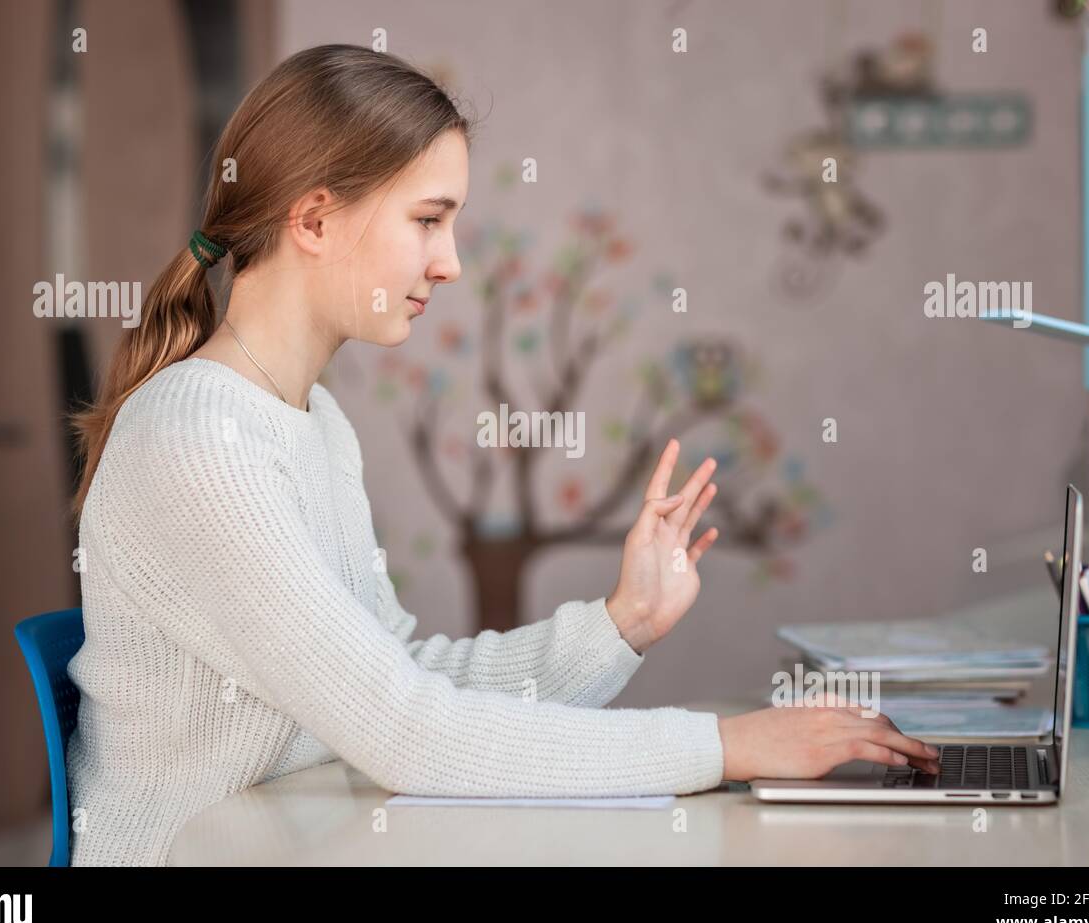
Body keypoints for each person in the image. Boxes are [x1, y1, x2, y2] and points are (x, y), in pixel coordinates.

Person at [65, 43, 938, 866]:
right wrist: (728, 744)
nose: (449, 263)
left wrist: (620, 623)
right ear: (317, 219)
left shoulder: (311, 421)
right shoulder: (199, 442)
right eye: (428, 219)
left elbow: (403, 678)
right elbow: (403, 729)